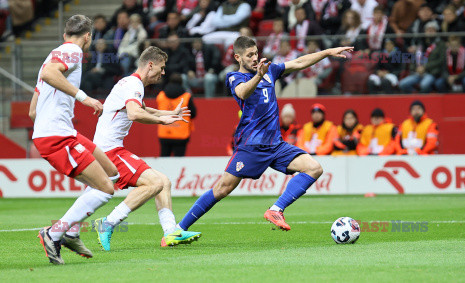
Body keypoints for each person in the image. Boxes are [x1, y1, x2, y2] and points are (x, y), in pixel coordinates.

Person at [175, 36, 352, 234]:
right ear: (238, 57)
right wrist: (258, 76)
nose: (254, 58)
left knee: (314, 168)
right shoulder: (235, 77)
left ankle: (276, 209)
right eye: (249, 55)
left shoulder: (270, 71)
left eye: (256, 53)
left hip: (276, 145)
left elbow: (299, 62)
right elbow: (242, 93)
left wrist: (327, 53)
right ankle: (179, 229)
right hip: (252, 146)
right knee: (222, 189)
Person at [92, 47, 201, 250]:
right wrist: (163, 121)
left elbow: (141, 108)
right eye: (161, 67)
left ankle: (170, 233)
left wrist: (167, 113)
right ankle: (107, 224)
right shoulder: (134, 84)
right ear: (150, 65)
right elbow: (134, 114)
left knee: (164, 182)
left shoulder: (129, 83)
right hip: (108, 151)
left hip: (109, 149)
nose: (163, 72)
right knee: (153, 183)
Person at [31, 15, 119, 265]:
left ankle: (71, 232)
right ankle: (54, 233)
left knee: (111, 173)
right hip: (57, 135)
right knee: (106, 189)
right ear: (88, 36)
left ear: (64, 34)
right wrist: (85, 98)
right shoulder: (72, 50)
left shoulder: (55, 52)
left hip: (59, 131)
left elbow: (32, 110)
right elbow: (50, 74)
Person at [399, 21, 446, 93]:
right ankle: (415, 95)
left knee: (424, 85)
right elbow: (414, 59)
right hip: (418, 72)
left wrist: (425, 67)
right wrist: (415, 68)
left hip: (431, 72)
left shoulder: (440, 45)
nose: (430, 32)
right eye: (428, 30)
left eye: (432, 30)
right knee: (402, 84)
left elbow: (441, 60)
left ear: (436, 31)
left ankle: (427, 96)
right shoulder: (420, 43)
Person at [157, 73, 197, 156]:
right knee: (178, 162)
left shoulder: (161, 95)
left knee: (163, 161)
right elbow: (193, 114)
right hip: (181, 134)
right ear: (181, 83)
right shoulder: (186, 96)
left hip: (164, 132)